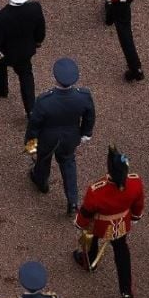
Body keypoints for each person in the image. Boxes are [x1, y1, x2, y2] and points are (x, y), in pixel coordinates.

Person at [25, 58, 95, 217]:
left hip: (48, 138)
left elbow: (34, 125)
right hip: (70, 137)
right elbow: (89, 115)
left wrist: (30, 144)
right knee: (68, 165)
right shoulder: (83, 96)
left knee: (43, 160)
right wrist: (85, 133)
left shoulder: (44, 100)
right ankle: (73, 201)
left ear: (56, 78)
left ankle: (41, 183)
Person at [72, 145, 144, 298]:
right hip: (121, 224)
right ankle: (126, 289)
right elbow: (138, 204)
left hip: (99, 225)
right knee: (121, 252)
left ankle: (89, 263)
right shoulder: (135, 182)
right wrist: (135, 217)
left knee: (91, 242)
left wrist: (79, 224)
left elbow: (86, 211)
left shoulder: (96, 190)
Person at [0, 0, 45, 117]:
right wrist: (37, 42)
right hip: (25, 51)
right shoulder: (36, 8)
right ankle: (30, 109)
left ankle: (1, 89)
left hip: (5, 53)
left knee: (0, 67)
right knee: (26, 76)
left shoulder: (1, 17)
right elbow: (40, 30)